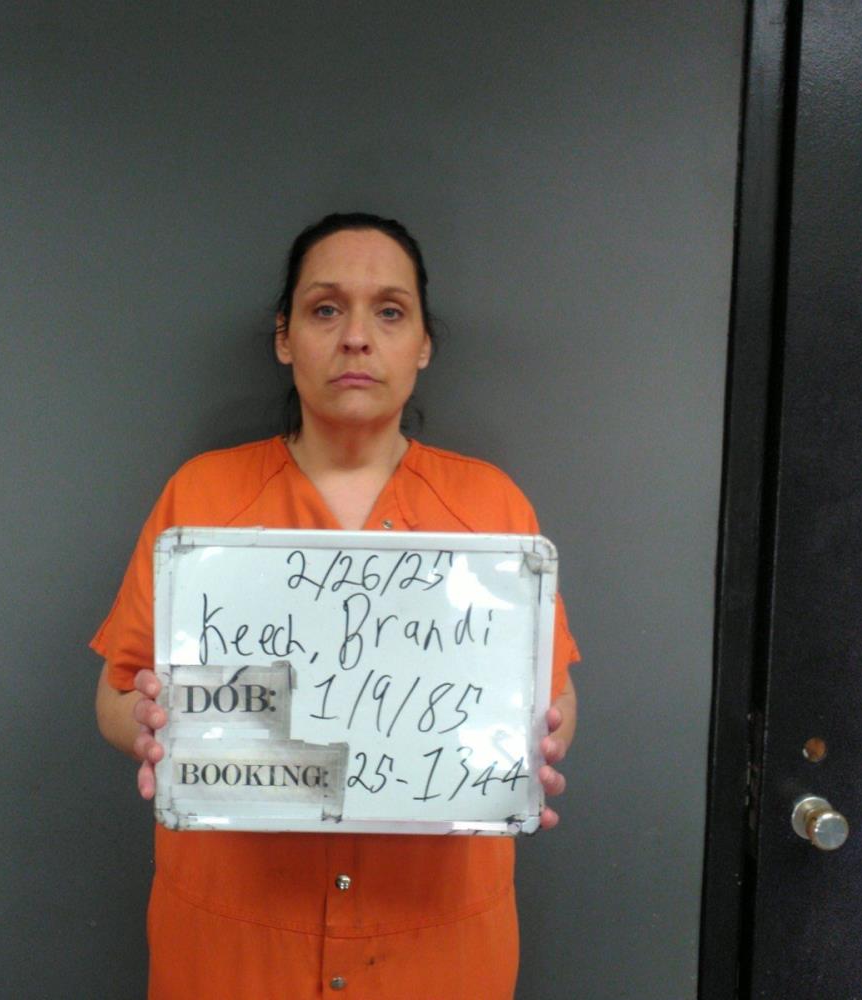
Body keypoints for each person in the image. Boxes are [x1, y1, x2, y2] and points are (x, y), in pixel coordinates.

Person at [94, 212, 579, 1000]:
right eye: (325, 309)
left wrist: (537, 744)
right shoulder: (202, 498)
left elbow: (555, 695)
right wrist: (149, 723)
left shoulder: (492, 509)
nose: (356, 337)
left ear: (423, 344)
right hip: (233, 948)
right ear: (285, 338)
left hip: (436, 946)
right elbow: (117, 695)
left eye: (389, 311)